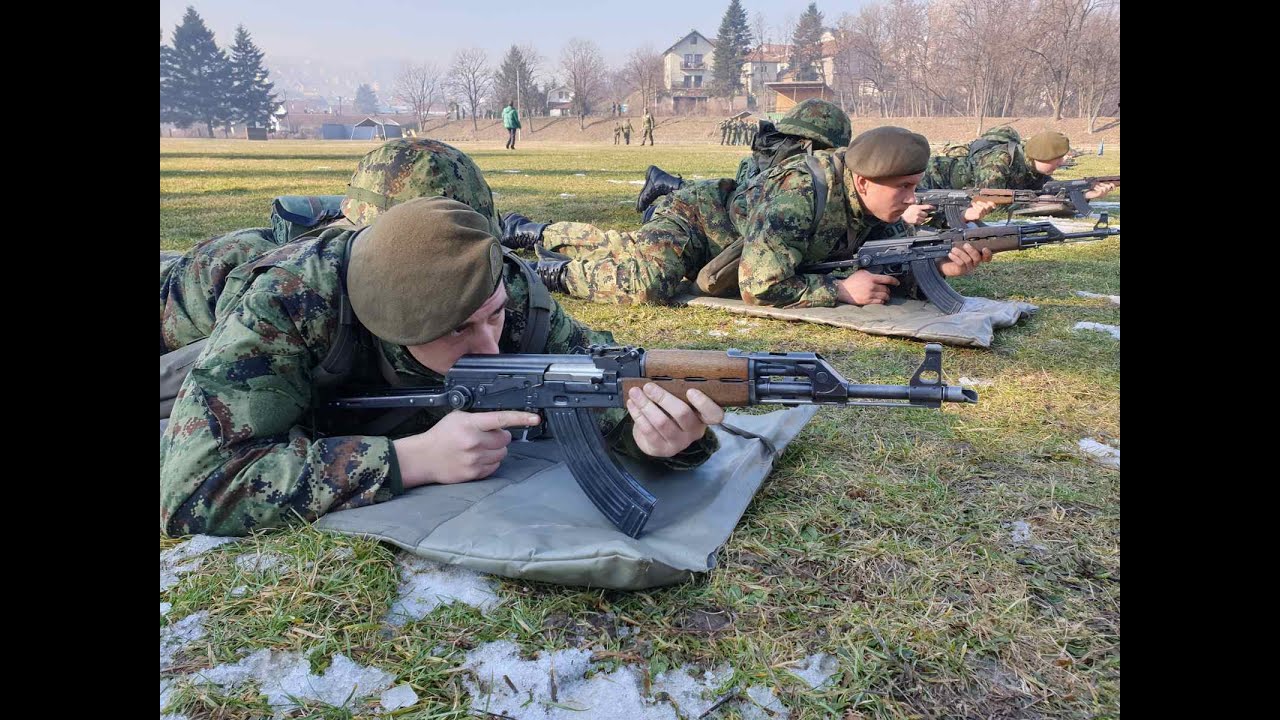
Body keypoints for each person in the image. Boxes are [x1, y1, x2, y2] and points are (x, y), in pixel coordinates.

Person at [160, 196, 726, 537]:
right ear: (394, 331)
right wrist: (410, 459)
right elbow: (192, 489)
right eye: (458, 329)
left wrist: (657, 434)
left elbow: (605, 382)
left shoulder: (512, 297)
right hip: (197, 295)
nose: (491, 346)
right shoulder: (289, 305)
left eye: (493, 316)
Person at [499, 126, 992, 307]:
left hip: (735, 244)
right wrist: (839, 290)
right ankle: (552, 271)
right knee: (650, 277)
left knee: (627, 247)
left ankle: (534, 231)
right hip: (696, 218)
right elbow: (760, 283)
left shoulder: (871, 203)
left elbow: (876, 265)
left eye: (916, 185)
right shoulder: (801, 194)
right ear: (863, 182)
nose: (913, 198)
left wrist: (937, 269)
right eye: (903, 187)